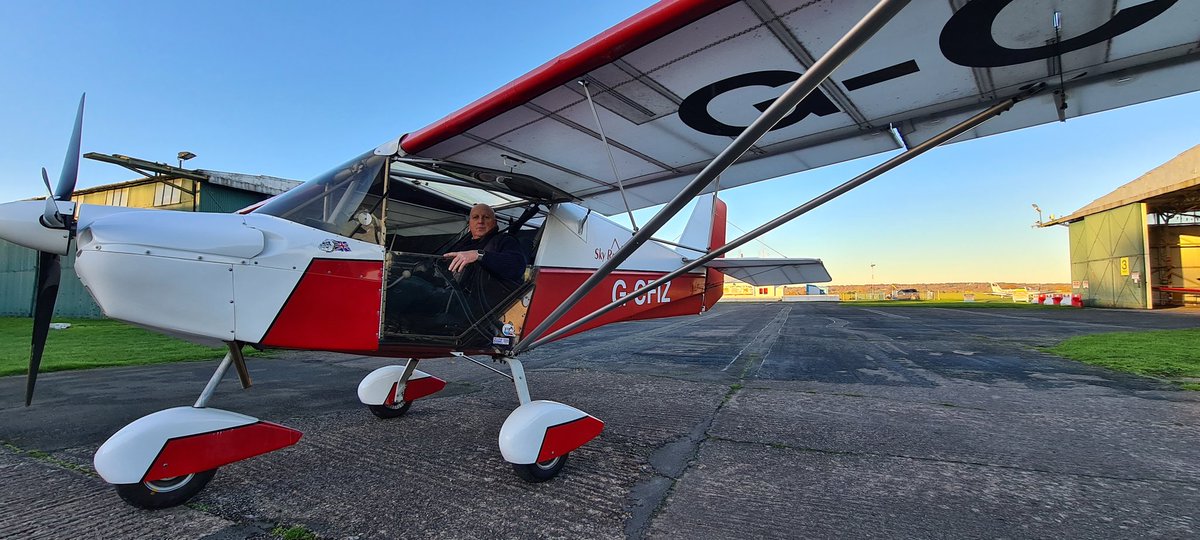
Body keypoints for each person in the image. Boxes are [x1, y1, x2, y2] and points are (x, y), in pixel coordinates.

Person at [441, 203, 527, 284]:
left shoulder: (504, 240)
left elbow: (517, 266)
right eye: (475, 217)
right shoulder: (462, 243)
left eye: (486, 217)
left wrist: (479, 255)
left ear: (495, 222)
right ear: (469, 223)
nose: (480, 221)